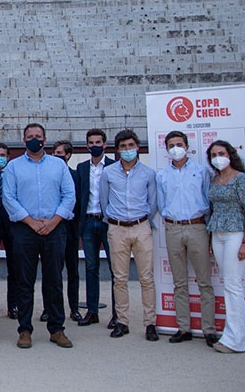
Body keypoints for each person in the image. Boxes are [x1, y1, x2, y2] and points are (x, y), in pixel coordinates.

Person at [2, 124, 76, 349]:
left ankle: (57, 329)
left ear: (45, 139)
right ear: (23, 140)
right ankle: (25, 330)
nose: (35, 140)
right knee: (24, 281)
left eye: (38, 136)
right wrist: (32, 222)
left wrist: (53, 221)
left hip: (54, 229)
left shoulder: (58, 166)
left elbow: (69, 195)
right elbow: (8, 198)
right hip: (25, 230)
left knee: (53, 280)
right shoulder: (13, 167)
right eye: (30, 137)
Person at [157, 130, 217, 347]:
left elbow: (208, 200)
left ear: (187, 146)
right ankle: (184, 328)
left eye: (179, 144)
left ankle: (209, 329)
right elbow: (161, 204)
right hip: (173, 228)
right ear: (166, 149)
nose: (176, 148)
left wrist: (208, 231)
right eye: (171, 145)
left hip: (197, 227)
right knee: (179, 282)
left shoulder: (202, 172)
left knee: (204, 282)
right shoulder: (162, 175)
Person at [100, 129, 159, 341]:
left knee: (146, 278)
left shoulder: (148, 174)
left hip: (141, 226)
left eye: (131, 146)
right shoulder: (108, 173)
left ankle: (150, 323)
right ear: (117, 150)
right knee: (120, 278)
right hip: (116, 228)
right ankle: (122, 321)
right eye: (123, 147)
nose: (127, 150)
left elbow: (153, 203)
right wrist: (115, 222)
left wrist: (141, 221)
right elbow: (104, 201)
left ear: (138, 148)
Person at [206, 140, 245, 354]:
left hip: (236, 235)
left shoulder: (242, 179)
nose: (217, 157)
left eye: (221, 153)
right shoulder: (216, 179)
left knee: (233, 286)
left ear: (230, 154)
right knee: (230, 285)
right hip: (217, 234)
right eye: (213, 154)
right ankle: (241, 337)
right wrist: (210, 240)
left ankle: (232, 339)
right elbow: (214, 210)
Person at [75, 129, 117, 328]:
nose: (94, 145)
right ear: (87, 145)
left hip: (109, 222)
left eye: (98, 142)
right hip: (89, 222)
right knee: (91, 268)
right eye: (91, 142)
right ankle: (92, 311)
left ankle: (118, 314)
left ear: (105, 144)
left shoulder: (114, 166)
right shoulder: (82, 168)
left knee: (116, 269)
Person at [52, 140, 82, 323]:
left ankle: (74, 307)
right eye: (54, 152)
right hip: (53, 229)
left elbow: (78, 202)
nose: (56, 155)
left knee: (73, 271)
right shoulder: (49, 173)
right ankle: (50, 308)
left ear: (68, 155)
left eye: (60, 153)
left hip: (70, 230)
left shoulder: (76, 175)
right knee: (53, 272)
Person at [0, 142, 17, 319]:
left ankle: (13, 305)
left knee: (14, 268)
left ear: (8, 157)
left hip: (12, 225)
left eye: (2, 155)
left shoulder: (14, 174)